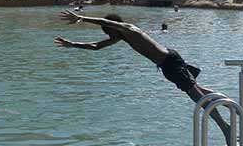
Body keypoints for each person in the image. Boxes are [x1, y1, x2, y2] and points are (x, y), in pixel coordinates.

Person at [54, 10, 228, 139]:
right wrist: (72, 44)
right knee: (199, 90)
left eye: (108, 31)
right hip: (167, 63)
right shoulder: (122, 37)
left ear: (112, 26)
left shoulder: (128, 28)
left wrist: (82, 18)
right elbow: (96, 46)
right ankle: (228, 103)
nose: (109, 35)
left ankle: (225, 128)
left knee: (197, 97)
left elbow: (104, 21)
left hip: (169, 62)